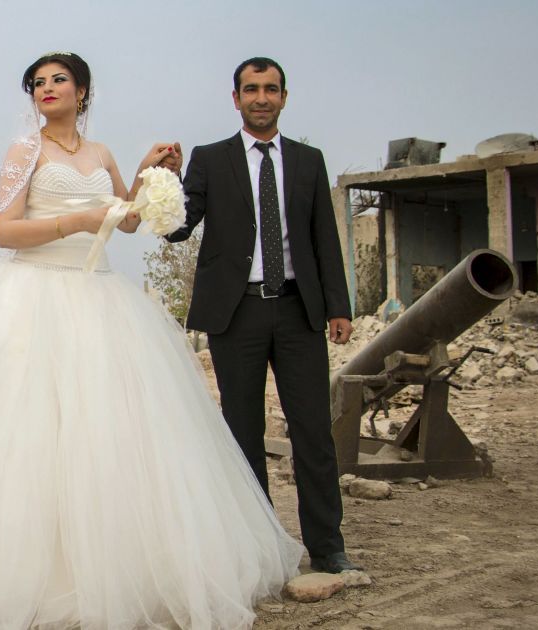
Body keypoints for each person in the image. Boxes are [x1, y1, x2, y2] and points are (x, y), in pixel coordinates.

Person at [0, 51, 302, 629]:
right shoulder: (25, 151)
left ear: (82, 90)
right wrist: (75, 222)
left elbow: (128, 219)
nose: (46, 88)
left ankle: (111, 568)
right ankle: (18, 571)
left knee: (106, 433)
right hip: (32, 295)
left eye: (58, 79)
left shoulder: (101, 153)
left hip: (100, 298)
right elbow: (5, 230)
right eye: (37, 82)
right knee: (25, 433)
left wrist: (148, 173)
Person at [164, 57, 361, 574]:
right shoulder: (211, 159)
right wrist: (166, 180)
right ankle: (259, 551)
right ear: (236, 99)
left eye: (270, 89)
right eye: (251, 89)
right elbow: (177, 229)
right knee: (243, 435)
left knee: (313, 432)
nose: (261, 98)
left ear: (284, 97)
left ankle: (328, 548)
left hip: (299, 311)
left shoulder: (308, 161)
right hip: (237, 315)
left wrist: (338, 307)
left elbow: (324, 237)